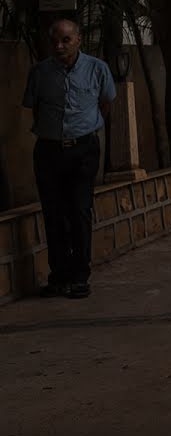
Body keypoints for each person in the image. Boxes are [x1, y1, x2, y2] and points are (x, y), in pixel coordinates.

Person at [22, 19, 116, 298]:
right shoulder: (39, 72)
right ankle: (58, 276)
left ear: (78, 40)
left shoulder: (97, 69)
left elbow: (106, 103)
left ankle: (79, 276)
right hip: (49, 151)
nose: (59, 46)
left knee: (78, 210)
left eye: (65, 40)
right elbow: (34, 108)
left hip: (83, 149)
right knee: (53, 213)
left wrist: (85, 128)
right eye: (54, 41)